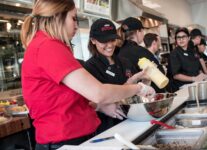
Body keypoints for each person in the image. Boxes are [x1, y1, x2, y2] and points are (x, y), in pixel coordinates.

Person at [20, 0, 155, 149]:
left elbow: (67, 100)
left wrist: (99, 107)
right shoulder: (48, 46)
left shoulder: (47, 45)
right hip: (64, 141)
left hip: (71, 138)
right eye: (73, 18)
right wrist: (138, 88)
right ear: (57, 16)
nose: (76, 25)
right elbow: (98, 92)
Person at [84, 18, 149, 132]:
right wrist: (100, 107)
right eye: (104, 41)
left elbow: (134, 93)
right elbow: (88, 102)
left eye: (112, 40)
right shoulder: (89, 67)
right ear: (93, 40)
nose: (110, 45)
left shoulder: (124, 62)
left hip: (133, 119)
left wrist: (145, 82)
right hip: (108, 126)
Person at [118, 17, 167, 93]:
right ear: (138, 31)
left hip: (128, 94)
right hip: (148, 96)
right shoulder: (141, 51)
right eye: (142, 31)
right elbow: (160, 73)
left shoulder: (119, 51)